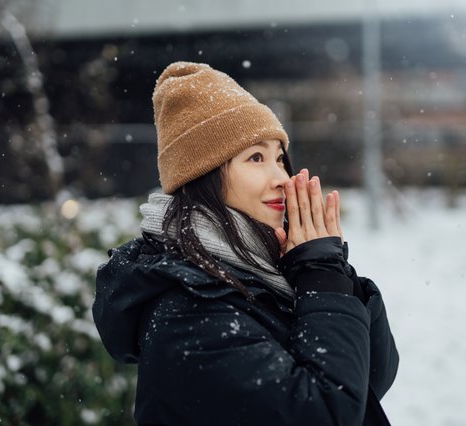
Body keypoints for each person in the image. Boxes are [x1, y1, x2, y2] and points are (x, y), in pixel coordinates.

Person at [93, 61, 398, 425]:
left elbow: (370, 381)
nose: (282, 178)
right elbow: (326, 413)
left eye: (280, 158)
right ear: (203, 176)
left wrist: (329, 274)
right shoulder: (188, 314)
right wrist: (322, 279)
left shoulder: (263, 269)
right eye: (255, 157)